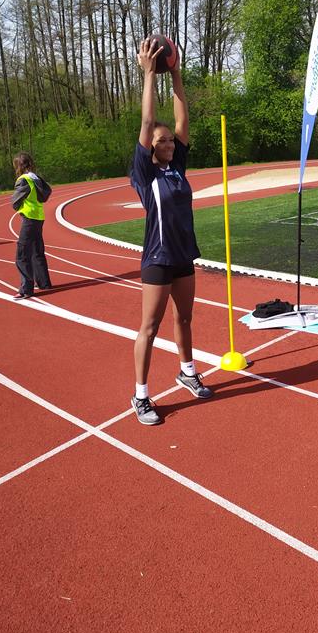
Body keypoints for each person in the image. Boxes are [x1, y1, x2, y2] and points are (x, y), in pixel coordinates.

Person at [129, 36, 212, 426]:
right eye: (162, 142)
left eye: (169, 141)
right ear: (151, 147)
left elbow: (182, 121)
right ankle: (140, 394)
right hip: (157, 259)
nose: (169, 143)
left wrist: (176, 73)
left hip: (182, 256)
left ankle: (187, 371)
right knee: (149, 327)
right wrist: (150, 74)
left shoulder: (177, 166)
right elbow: (148, 123)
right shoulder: (145, 173)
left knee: (185, 319)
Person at [11, 153, 52, 299]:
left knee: (22, 253)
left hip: (29, 218)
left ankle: (26, 289)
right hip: (39, 216)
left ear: (19, 166)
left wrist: (18, 206)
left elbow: (15, 202)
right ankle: (44, 283)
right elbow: (47, 193)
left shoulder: (23, 180)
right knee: (37, 251)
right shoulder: (36, 178)